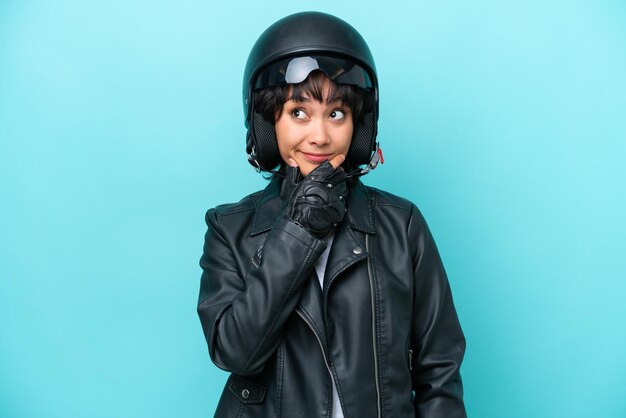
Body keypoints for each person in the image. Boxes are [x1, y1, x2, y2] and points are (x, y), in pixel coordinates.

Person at [197, 11, 467, 418]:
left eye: (336, 113)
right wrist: (300, 229)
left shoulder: (402, 224)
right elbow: (236, 352)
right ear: (267, 122)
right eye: (299, 113)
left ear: (360, 126)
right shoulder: (228, 229)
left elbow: (439, 368)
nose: (319, 136)